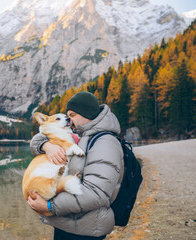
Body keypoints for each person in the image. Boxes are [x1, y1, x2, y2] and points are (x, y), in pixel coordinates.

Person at [28, 91, 124, 240]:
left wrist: (49, 206)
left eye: (72, 115)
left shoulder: (105, 143)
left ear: (86, 114)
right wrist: (46, 145)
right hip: (68, 223)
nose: (68, 120)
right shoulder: (80, 135)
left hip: (86, 230)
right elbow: (42, 135)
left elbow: (96, 194)